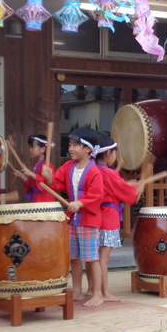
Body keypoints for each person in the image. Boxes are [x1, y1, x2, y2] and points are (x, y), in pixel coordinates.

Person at [41, 127, 105, 306]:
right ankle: (77, 290)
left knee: (91, 258)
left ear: (88, 149)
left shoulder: (94, 171)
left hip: (88, 219)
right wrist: (48, 178)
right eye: (70, 144)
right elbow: (57, 183)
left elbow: (97, 194)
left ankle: (98, 294)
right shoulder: (68, 166)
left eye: (76, 145)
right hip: (72, 218)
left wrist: (80, 203)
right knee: (74, 257)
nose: (71, 148)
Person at [92, 135, 143, 301]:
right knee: (103, 259)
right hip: (107, 218)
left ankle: (92, 289)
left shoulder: (91, 171)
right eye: (114, 153)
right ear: (108, 154)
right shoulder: (108, 173)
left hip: (94, 218)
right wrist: (138, 188)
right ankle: (104, 292)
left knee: (93, 257)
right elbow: (129, 197)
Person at [13, 134, 56, 203]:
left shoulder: (48, 165)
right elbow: (32, 182)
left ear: (42, 149)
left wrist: (31, 174)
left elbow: (47, 183)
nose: (30, 150)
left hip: (44, 200)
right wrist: (21, 175)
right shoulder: (36, 165)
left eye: (32, 147)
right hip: (36, 198)